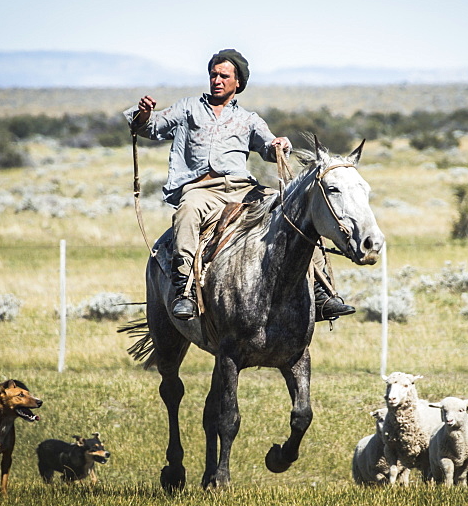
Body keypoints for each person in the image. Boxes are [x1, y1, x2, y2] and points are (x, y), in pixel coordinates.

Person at [124, 48, 354, 322]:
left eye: (224, 76)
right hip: (202, 190)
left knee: (296, 210)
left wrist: (279, 144)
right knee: (186, 212)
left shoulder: (249, 119)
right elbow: (150, 127)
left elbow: (268, 147)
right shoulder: (187, 108)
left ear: (238, 83)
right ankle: (183, 290)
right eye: (213, 75)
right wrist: (144, 115)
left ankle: (321, 290)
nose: (217, 80)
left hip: (242, 189)